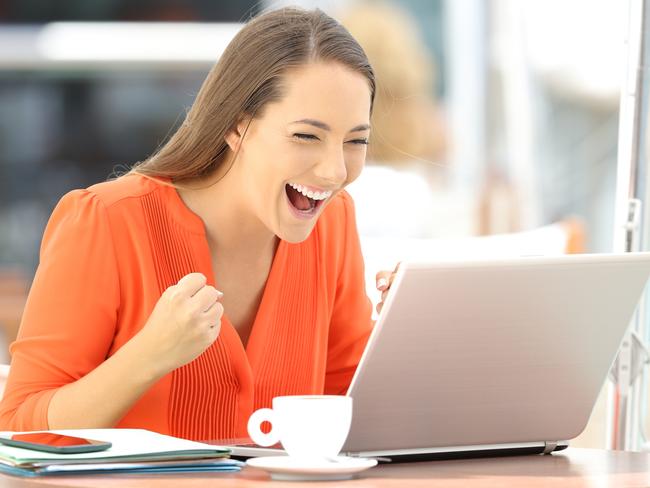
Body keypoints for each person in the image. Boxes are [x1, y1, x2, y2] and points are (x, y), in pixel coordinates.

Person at [0, 7, 396, 441]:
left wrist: (404, 328)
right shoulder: (106, 223)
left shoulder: (333, 225)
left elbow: (353, 409)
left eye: (356, 140)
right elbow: (18, 427)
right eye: (306, 136)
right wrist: (148, 356)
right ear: (236, 126)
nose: (334, 171)